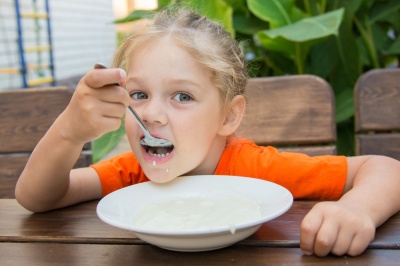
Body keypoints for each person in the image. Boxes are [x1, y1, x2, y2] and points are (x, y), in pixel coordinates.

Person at [15, 6, 400, 257]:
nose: (152, 113)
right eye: (139, 94)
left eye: (182, 95)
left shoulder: (254, 169)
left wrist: (357, 209)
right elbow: (38, 197)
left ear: (228, 117)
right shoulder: (130, 173)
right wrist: (69, 131)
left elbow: (385, 168)